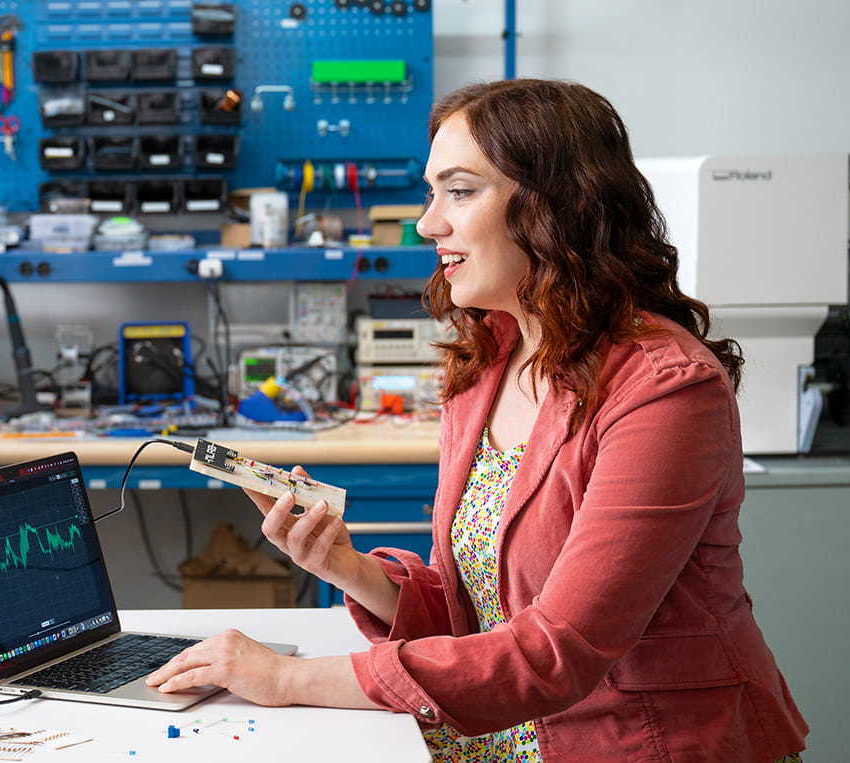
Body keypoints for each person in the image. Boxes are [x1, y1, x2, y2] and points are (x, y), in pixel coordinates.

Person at [146, 79, 809, 762]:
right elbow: (483, 614)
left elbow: (555, 650)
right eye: (433, 193)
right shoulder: (490, 359)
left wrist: (286, 677)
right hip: (501, 737)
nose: (429, 223)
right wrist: (342, 565)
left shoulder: (665, 390)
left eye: (458, 192)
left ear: (556, 204)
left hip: (644, 745)